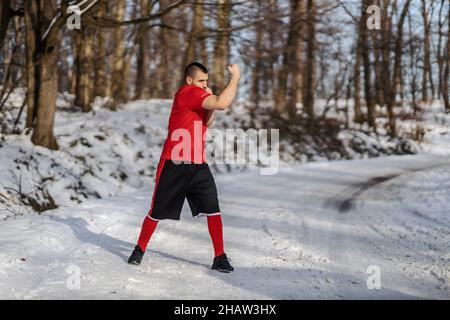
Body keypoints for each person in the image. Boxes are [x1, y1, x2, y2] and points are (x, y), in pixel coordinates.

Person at [128, 62, 240, 273]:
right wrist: (235, 77)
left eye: (206, 80)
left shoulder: (198, 96)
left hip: (198, 164)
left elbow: (208, 121)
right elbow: (223, 103)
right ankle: (139, 249)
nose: (204, 84)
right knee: (156, 211)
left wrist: (212, 101)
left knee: (213, 210)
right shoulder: (187, 92)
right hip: (175, 162)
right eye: (201, 81)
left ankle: (219, 257)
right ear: (189, 80)